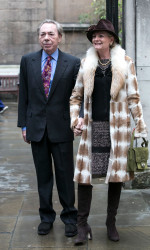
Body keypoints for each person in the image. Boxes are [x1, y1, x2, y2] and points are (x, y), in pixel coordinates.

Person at [70, 19, 147, 244]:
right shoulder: (86, 63)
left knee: (116, 177)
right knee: (85, 179)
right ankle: (82, 225)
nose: (96, 38)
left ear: (111, 40)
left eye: (101, 35)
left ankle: (110, 222)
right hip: (92, 128)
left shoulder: (125, 62)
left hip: (118, 128)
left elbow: (134, 97)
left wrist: (140, 126)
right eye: (94, 36)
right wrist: (76, 119)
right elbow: (76, 96)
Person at [17, 19, 80, 237]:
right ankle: (46, 217)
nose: (46, 38)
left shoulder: (72, 63)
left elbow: (77, 97)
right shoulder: (27, 61)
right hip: (36, 128)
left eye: (51, 34)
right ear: (39, 37)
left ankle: (70, 217)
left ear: (59, 37)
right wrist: (23, 124)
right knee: (43, 176)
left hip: (62, 128)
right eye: (43, 34)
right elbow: (23, 94)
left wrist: (78, 119)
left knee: (64, 176)